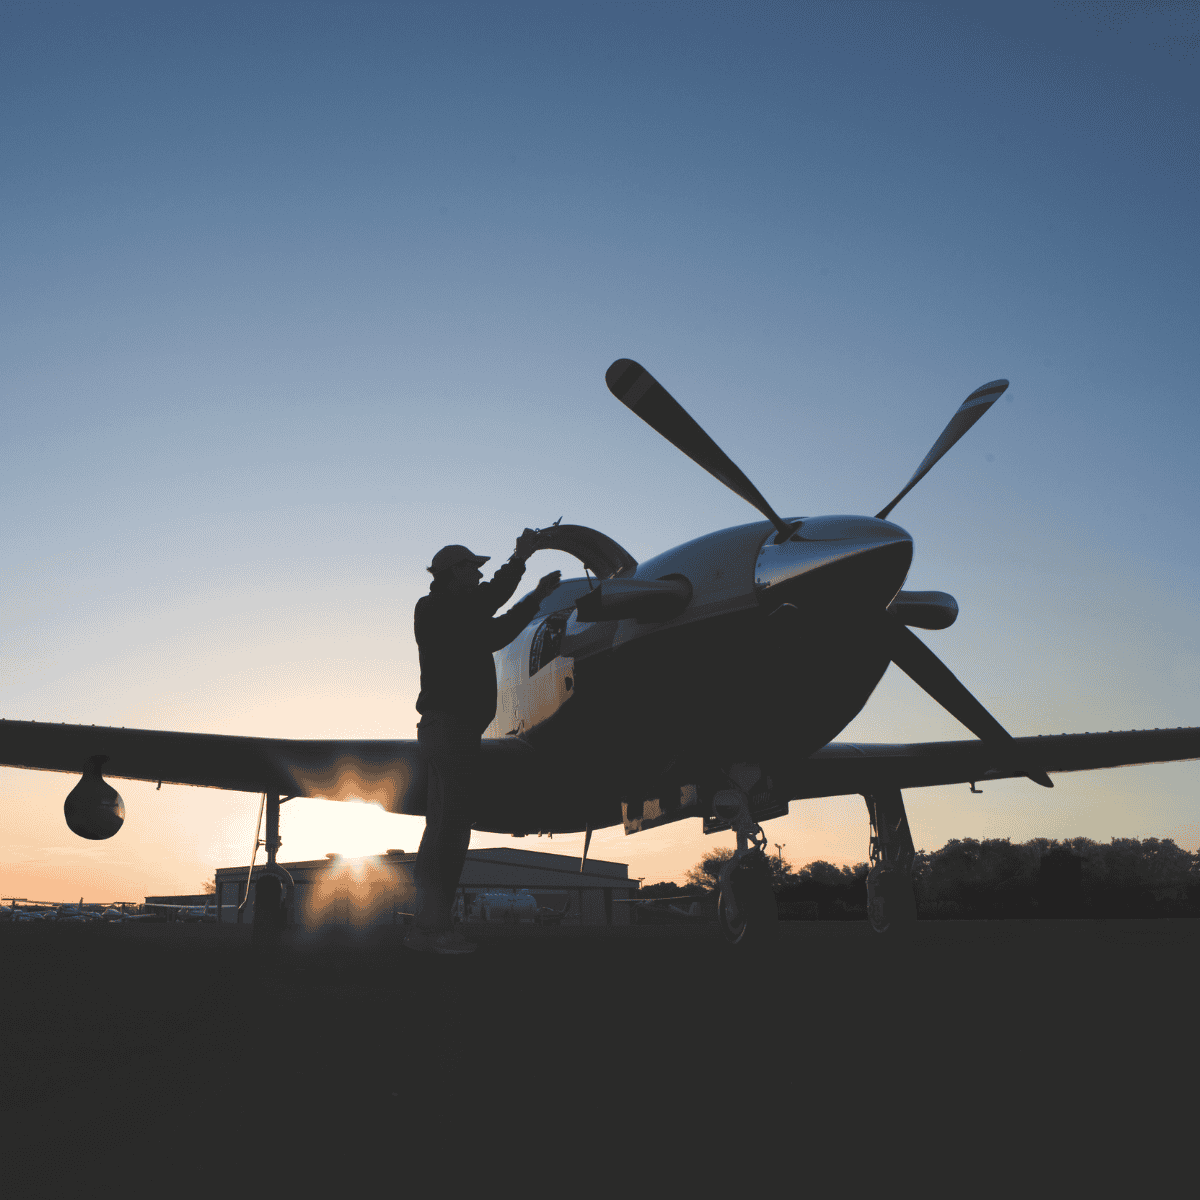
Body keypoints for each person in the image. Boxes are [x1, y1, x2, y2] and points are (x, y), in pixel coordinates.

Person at [405, 529, 561, 954]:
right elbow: (490, 602)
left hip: (451, 730)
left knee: (442, 828)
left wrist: (535, 598)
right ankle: (434, 931)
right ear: (451, 573)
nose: (478, 575)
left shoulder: (457, 615)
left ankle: (426, 927)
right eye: (472, 569)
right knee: (451, 829)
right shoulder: (435, 608)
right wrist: (520, 557)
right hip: (449, 728)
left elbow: (497, 631)